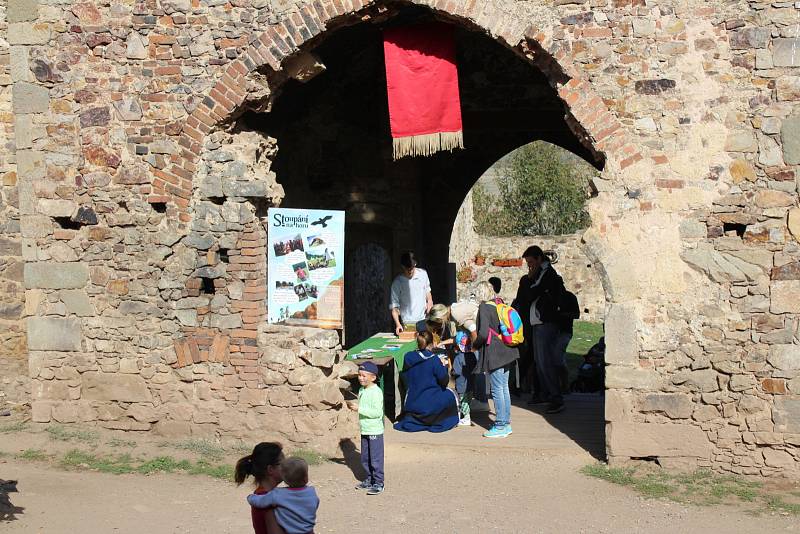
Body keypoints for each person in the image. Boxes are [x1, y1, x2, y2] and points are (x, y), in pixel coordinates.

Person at [513, 246, 566, 414]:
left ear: (538, 259)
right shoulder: (538, 275)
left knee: (545, 361)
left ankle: (556, 397)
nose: (529, 266)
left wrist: (530, 279)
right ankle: (544, 393)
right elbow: (525, 295)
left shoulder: (547, 275)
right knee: (539, 361)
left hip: (545, 321)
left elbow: (530, 294)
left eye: (530, 262)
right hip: (536, 322)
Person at [473, 281, 519, 438]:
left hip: (495, 353)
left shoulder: (484, 307)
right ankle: (505, 423)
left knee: (497, 389)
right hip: (507, 350)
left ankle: (500, 425)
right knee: (503, 387)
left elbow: (484, 333)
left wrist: (475, 345)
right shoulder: (500, 304)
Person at [393, 330, 459, 433]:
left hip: (413, 403)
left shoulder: (408, 356)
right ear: (431, 343)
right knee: (451, 395)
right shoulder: (434, 360)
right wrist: (443, 366)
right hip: (431, 405)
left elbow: (406, 375)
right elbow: (444, 381)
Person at [247, 457, 319, 534]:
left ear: (285, 480)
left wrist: (251, 497)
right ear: (306, 479)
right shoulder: (311, 492)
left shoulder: (278, 494)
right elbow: (316, 504)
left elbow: (260, 502)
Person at [235, 442, 288, 534]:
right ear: (270, 469)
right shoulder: (268, 501)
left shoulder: (262, 496)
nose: (287, 467)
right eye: (283, 464)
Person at [356, 361, 385, 495]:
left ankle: (379, 482)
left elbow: (377, 413)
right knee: (365, 457)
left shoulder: (376, 392)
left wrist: (359, 409)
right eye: (359, 375)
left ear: (373, 377)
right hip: (365, 429)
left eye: (364, 376)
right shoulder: (362, 390)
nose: (361, 378)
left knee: (375, 458)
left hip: (375, 431)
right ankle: (369, 479)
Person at [390, 251, 433, 336]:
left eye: (411, 268)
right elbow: (394, 308)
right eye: (407, 269)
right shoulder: (397, 283)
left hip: (423, 320)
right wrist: (398, 324)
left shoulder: (423, 274)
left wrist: (430, 301)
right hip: (407, 323)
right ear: (402, 267)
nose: (410, 271)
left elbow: (427, 290)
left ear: (415, 265)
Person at [555, 290, 580, 393]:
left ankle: (564, 385)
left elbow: (576, 314)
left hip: (565, 331)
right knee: (556, 359)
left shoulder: (570, 297)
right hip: (553, 331)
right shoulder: (550, 295)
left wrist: (561, 315)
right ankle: (560, 385)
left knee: (558, 358)